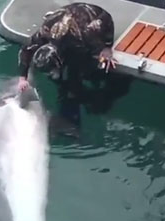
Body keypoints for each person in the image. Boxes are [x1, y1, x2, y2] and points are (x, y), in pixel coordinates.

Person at [16, 3, 122, 132]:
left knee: (87, 66)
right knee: (68, 78)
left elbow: (104, 30)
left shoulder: (84, 36)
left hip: (96, 21)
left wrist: (106, 48)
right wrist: (23, 77)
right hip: (67, 20)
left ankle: (98, 96)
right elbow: (26, 49)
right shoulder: (45, 31)